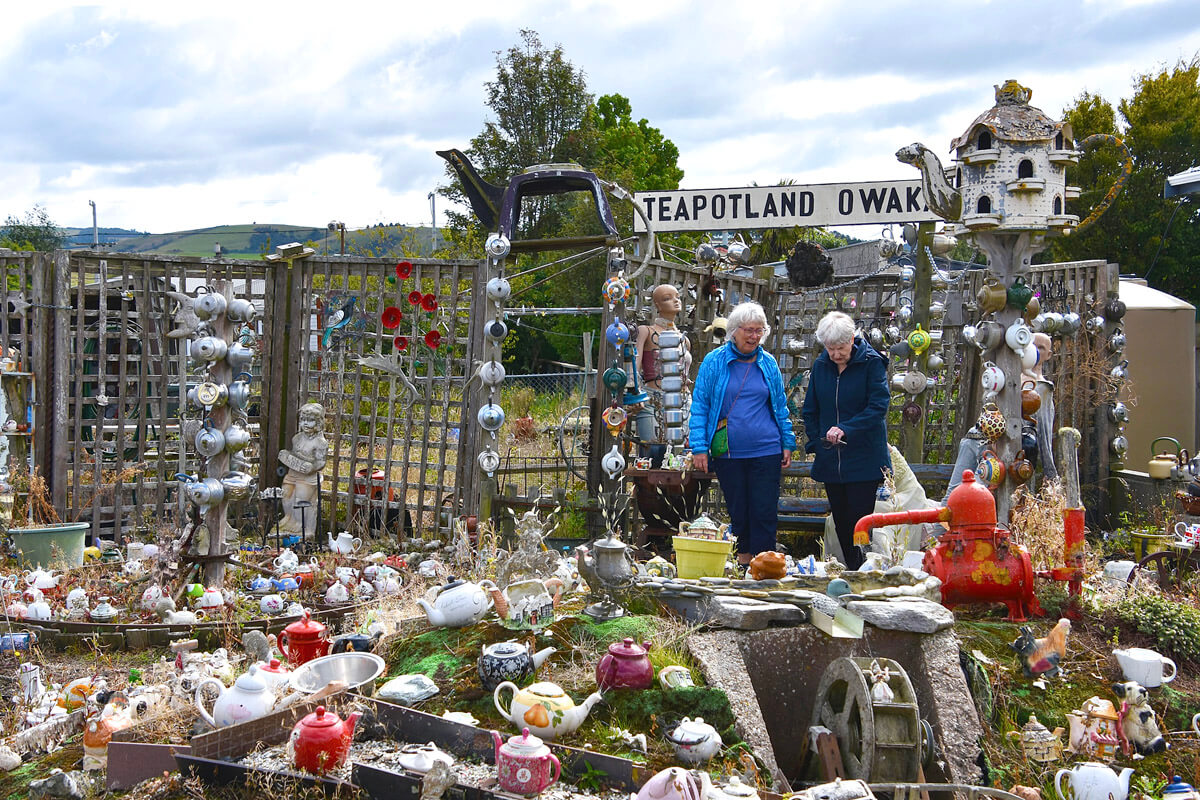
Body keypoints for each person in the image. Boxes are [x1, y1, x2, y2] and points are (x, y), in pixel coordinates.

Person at [690, 302, 795, 566]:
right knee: (739, 511)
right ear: (734, 331)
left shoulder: (768, 363)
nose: (754, 336)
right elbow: (700, 405)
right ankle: (744, 563)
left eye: (759, 330)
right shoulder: (714, 362)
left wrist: (787, 441)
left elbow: (780, 406)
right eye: (749, 330)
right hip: (728, 450)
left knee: (764, 510)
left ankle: (766, 565)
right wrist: (699, 447)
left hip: (767, 448)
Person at [802, 311, 890, 570]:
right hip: (831, 459)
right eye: (830, 348)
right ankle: (853, 571)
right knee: (841, 520)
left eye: (840, 348)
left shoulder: (872, 363)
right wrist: (817, 442)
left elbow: (878, 407)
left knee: (860, 522)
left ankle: (863, 570)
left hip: (864, 458)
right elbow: (810, 410)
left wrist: (845, 429)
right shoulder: (821, 366)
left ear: (852, 339)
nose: (835, 354)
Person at [633, 284, 693, 447]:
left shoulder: (684, 340)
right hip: (654, 399)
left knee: (681, 451)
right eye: (667, 298)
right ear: (657, 305)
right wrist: (635, 393)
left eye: (677, 297)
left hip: (683, 400)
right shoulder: (646, 331)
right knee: (653, 450)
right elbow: (634, 367)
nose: (675, 301)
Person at [278, 402, 329, 541]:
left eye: (310, 420)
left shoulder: (320, 442)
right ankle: (289, 519)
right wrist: (286, 455)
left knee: (300, 500)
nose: (305, 423)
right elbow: (294, 455)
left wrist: (312, 467)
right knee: (285, 494)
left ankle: (300, 526)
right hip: (293, 473)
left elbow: (321, 462)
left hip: (308, 478)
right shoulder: (297, 438)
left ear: (318, 422)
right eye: (303, 419)